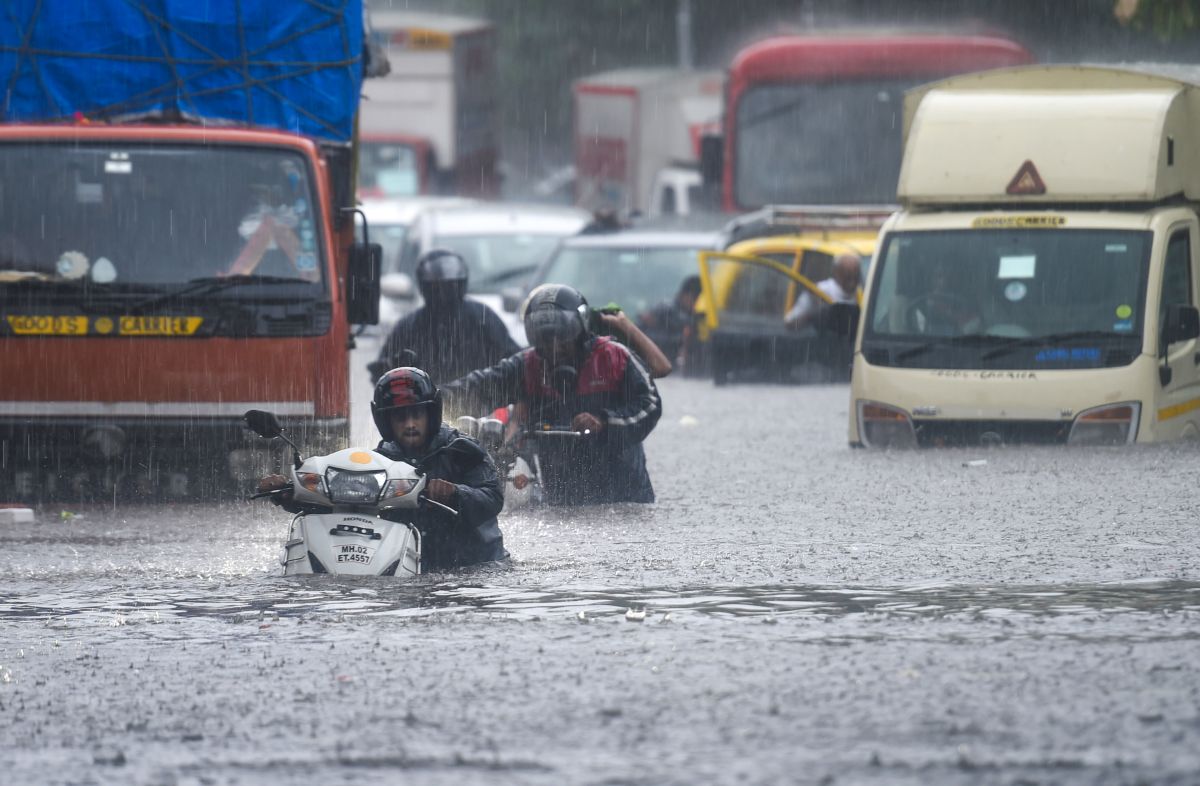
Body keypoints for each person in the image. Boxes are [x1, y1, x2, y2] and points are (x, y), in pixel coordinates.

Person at [257, 366, 507, 570]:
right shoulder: (381, 461)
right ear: (385, 421)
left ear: (432, 413)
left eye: (417, 414)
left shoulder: (463, 450)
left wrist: (455, 493)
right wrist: (290, 494)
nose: (410, 424)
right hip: (408, 566)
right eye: (400, 417)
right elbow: (341, 505)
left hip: (475, 565)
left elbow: (493, 498)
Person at [443, 283, 662, 506]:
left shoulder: (615, 356)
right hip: (561, 498)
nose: (555, 348)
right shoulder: (527, 365)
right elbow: (478, 387)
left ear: (581, 331)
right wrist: (430, 399)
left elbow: (650, 404)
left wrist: (604, 421)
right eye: (545, 340)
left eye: (562, 338)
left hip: (626, 496)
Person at [369, 249, 520, 385]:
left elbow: (514, 360)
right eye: (438, 288)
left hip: (482, 406)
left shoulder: (482, 318)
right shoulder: (409, 326)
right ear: (425, 287)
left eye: (450, 286)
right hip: (426, 408)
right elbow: (382, 375)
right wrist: (396, 370)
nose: (444, 294)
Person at [637, 275, 702, 370]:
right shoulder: (667, 309)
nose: (695, 305)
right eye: (695, 300)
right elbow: (643, 325)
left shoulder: (685, 314)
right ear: (686, 295)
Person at [785, 253, 860, 329]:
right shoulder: (819, 291)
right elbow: (790, 324)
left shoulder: (863, 294)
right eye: (847, 273)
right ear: (837, 272)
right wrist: (815, 315)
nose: (852, 279)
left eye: (855, 274)